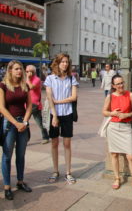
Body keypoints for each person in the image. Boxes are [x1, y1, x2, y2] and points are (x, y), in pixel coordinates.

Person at [102, 74, 132, 192]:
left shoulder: (130, 95)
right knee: (114, 154)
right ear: (113, 85)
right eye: (118, 84)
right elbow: (104, 112)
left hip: (126, 127)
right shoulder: (110, 96)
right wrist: (112, 113)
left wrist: (127, 115)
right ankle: (117, 178)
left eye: (122, 83)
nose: (121, 85)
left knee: (130, 156)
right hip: (113, 127)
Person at [44, 53, 79, 184]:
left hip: (67, 114)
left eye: (67, 62)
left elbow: (74, 97)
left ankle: (68, 172)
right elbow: (49, 97)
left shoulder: (71, 79)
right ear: (57, 63)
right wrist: (54, 115)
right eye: (62, 62)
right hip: (54, 114)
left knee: (67, 143)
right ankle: (55, 170)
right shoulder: (50, 79)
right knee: (54, 143)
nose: (65, 64)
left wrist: (58, 102)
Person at [0, 60, 32, 200]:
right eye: (17, 69)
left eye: (21, 69)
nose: (20, 71)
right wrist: (15, 123)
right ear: (10, 70)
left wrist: (24, 122)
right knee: (7, 155)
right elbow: (1, 107)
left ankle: (20, 181)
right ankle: (7, 186)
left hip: (23, 123)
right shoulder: (3, 85)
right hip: (9, 123)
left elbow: (30, 106)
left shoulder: (25, 85)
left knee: (21, 155)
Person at [26, 65, 49, 144]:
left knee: (39, 122)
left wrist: (28, 79)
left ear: (34, 72)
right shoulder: (24, 79)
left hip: (34, 104)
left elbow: (31, 87)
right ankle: (26, 137)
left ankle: (45, 137)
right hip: (26, 103)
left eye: (30, 71)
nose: (29, 73)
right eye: (27, 71)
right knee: (25, 121)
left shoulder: (37, 79)